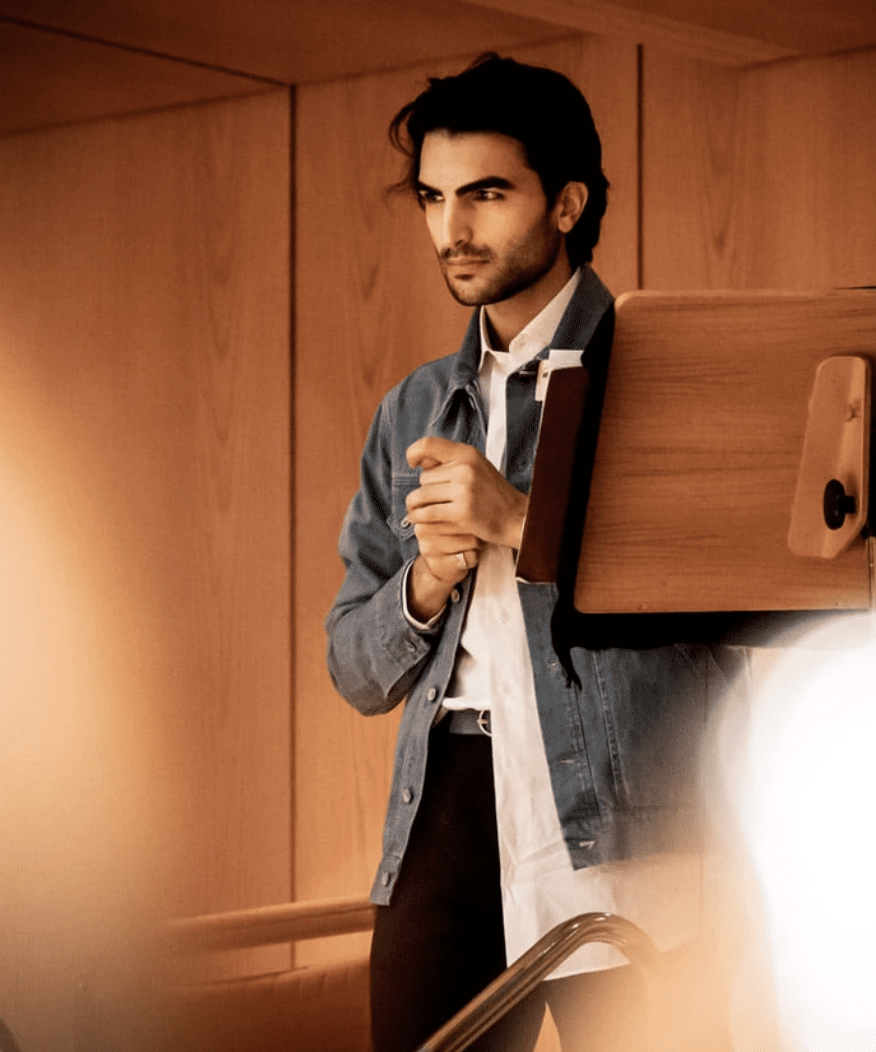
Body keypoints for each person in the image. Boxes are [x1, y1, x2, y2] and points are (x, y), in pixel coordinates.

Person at [325, 54, 740, 1052]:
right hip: (446, 803)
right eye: (432, 198)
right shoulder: (412, 407)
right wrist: (427, 582)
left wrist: (524, 521)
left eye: (485, 194)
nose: (451, 229)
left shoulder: (667, 375)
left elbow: (728, 611)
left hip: (623, 806)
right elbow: (351, 665)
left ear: (566, 202)